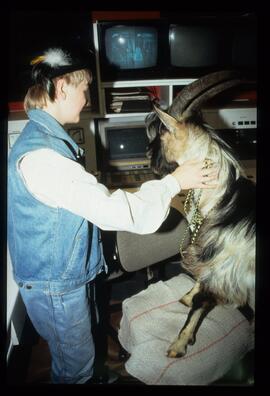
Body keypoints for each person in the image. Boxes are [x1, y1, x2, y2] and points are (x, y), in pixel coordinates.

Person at [7, 47, 218, 384]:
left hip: (63, 275)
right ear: (62, 88)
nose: (87, 97)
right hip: (57, 287)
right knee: (74, 369)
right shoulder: (44, 158)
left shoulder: (42, 139)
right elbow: (115, 212)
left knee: (81, 352)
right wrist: (175, 181)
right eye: (84, 89)